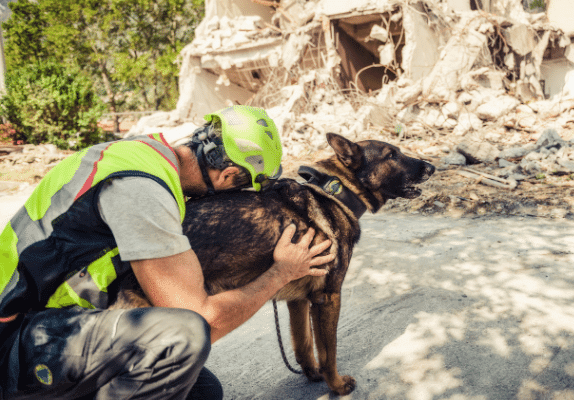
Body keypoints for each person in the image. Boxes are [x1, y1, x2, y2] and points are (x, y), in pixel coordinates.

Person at [0, 105, 333, 400]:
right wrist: (281, 273)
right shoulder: (143, 189)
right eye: (242, 191)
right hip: (17, 340)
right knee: (181, 339)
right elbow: (202, 319)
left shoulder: (143, 153)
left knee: (202, 391)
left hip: (42, 321)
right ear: (229, 175)